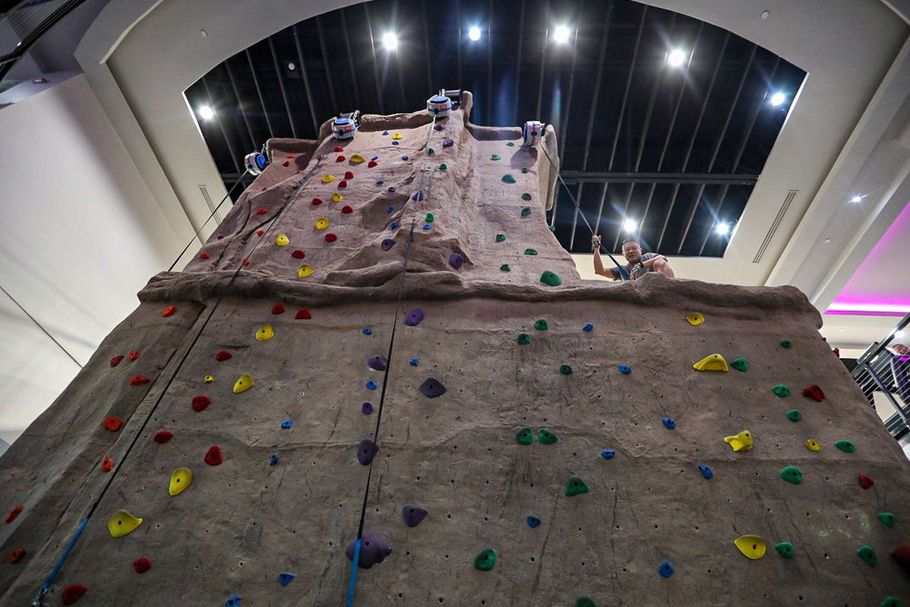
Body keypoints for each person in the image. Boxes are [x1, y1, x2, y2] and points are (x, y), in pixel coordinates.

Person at [591, 235, 675, 281]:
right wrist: (596, 248)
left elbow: (662, 258)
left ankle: (669, 287)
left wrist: (639, 266)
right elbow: (599, 270)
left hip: (657, 288)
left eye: (634, 248)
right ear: (623, 254)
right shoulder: (622, 270)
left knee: (659, 262)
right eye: (627, 250)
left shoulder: (647, 257)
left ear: (640, 250)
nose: (631, 251)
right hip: (637, 299)